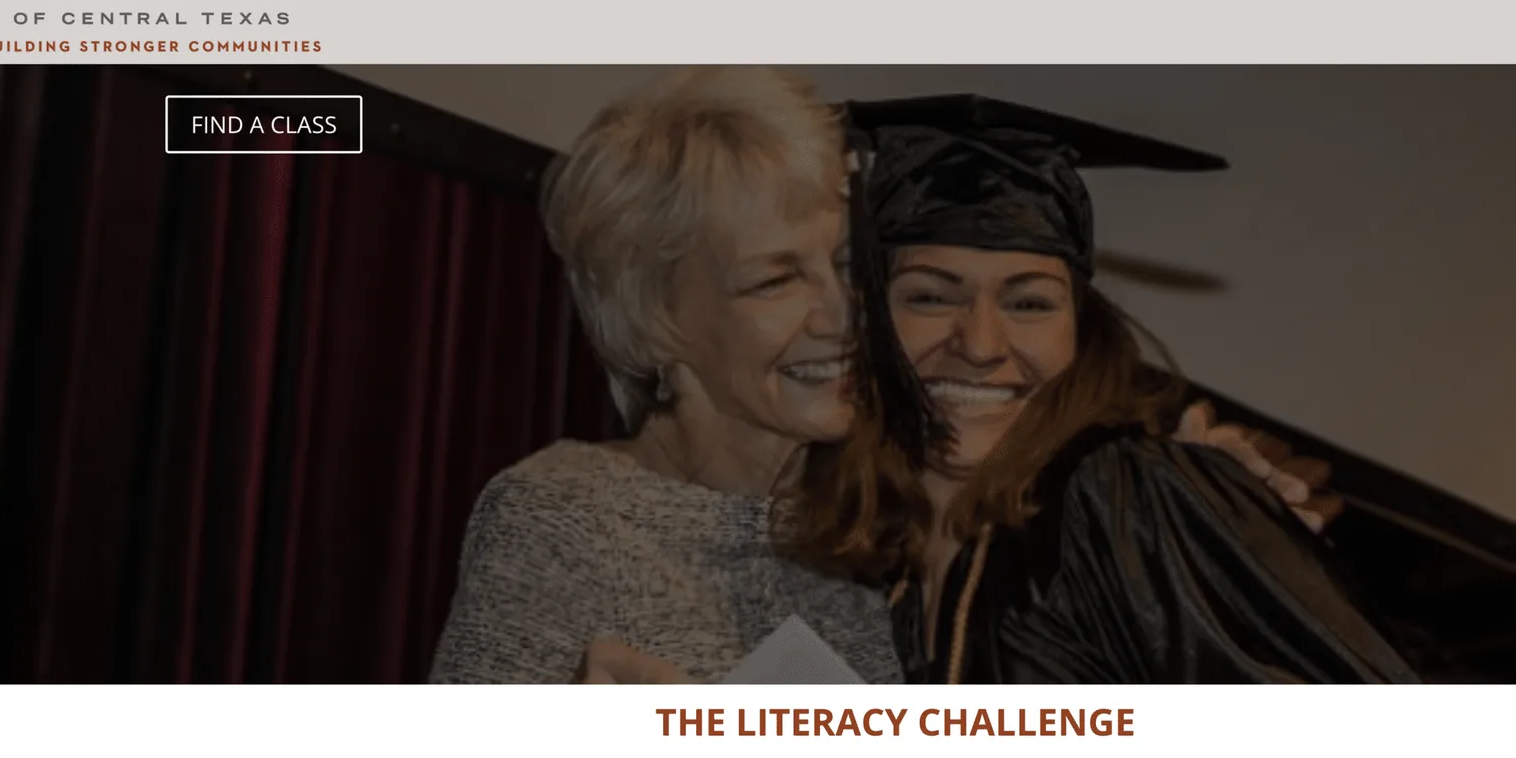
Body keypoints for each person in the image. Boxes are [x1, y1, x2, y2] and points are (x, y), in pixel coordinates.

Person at [429, 68, 1348, 685]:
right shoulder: (566, 519)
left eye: (844, 266)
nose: (840, 314)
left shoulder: (896, 522)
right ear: (658, 317)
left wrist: (1204, 526)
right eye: (775, 278)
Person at [781, 94, 1421, 684]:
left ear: (1080, 331)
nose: (980, 345)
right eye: (929, 298)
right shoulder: (886, 580)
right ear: (867, 325)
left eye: (1029, 304)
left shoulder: (1125, 497)